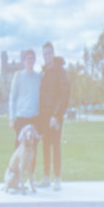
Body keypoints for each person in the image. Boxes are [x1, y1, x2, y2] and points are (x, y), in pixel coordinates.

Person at [36, 42, 70, 190]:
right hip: (43, 116)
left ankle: (57, 178)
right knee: (45, 146)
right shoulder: (43, 72)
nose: (47, 56)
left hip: (55, 117)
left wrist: (56, 115)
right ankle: (46, 177)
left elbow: (64, 95)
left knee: (55, 145)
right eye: (44, 54)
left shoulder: (60, 71)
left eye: (49, 53)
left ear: (53, 53)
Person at [8, 48, 40, 144]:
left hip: (34, 118)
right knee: (19, 150)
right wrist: (12, 118)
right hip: (21, 117)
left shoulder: (38, 77)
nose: (30, 60)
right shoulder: (18, 76)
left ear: (35, 60)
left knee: (32, 150)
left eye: (32, 58)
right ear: (24, 61)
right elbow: (12, 98)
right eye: (27, 58)